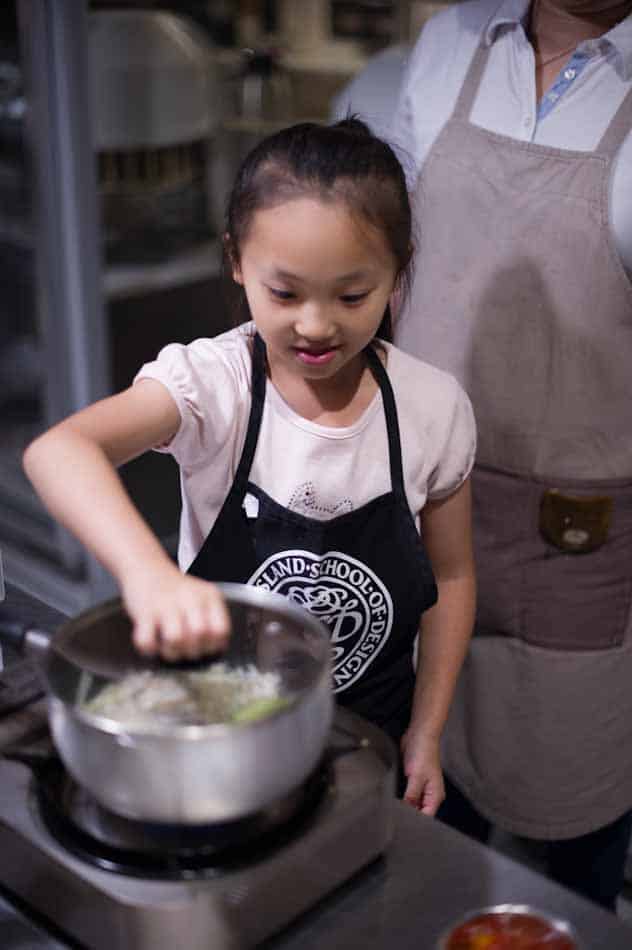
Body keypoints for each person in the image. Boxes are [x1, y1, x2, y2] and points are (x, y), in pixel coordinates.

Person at [23, 119, 476, 815]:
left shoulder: (432, 407)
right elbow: (58, 451)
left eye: (352, 296)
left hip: (369, 744)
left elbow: (452, 575)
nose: (316, 325)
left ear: (398, 270)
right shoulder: (217, 386)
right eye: (286, 293)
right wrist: (148, 576)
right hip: (220, 739)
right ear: (237, 260)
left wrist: (428, 730)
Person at [390, 0, 632, 911]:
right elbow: (383, 261)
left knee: (571, 853)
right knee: (418, 818)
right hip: (418, 509)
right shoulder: (449, 42)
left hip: (572, 546)